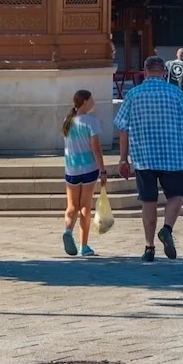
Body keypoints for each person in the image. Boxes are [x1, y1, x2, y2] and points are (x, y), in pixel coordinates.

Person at [114, 55, 183, 261]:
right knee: (176, 196)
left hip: (144, 156)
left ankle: (149, 248)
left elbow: (123, 128)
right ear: (164, 72)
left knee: (148, 200)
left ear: (145, 71)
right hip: (173, 155)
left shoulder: (133, 94)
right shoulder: (175, 93)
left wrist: (123, 159)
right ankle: (167, 228)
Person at [59, 88, 106, 257]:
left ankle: (67, 231)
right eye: (92, 100)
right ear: (85, 102)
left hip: (71, 168)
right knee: (85, 206)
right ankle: (83, 246)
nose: (94, 102)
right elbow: (96, 148)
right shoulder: (91, 121)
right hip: (88, 168)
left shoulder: (68, 120)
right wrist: (103, 169)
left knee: (71, 205)